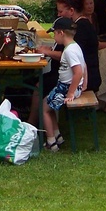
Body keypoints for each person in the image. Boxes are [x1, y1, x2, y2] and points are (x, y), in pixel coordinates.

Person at [41, 17, 86, 152]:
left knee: (43, 109)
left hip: (66, 88)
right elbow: (84, 66)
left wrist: (71, 93)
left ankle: (51, 143)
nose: (54, 37)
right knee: (49, 105)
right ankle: (57, 135)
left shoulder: (69, 51)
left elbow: (78, 72)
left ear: (61, 33)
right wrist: (84, 84)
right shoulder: (75, 46)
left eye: (54, 34)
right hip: (71, 87)